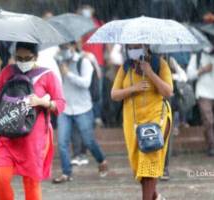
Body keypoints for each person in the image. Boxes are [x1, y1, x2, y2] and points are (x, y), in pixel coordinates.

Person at [0, 42, 65, 200]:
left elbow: (60, 104)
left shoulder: (47, 75)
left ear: (36, 57)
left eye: (27, 58)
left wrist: (42, 102)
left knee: (31, 184)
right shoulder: (7, 72)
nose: (23, 62)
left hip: (33, 139)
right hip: (7, 134)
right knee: (0, 177)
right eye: (19, 58)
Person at [111, 44, 173, 200]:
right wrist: (134, 88)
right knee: (141, 168)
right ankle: (156, 197)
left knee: (148, 164)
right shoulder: (126, 67)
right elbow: (114, 94)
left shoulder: (160, 64)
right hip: (133, 124)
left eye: (136, 46)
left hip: (156, 120)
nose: (133, 49)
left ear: (145, 46)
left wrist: (150, 72)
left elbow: (168, 92)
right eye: (130, 47)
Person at [52, 42, 108, 184]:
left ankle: (101, 159)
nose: (64, 50)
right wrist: (57, 67)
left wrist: (68, 74)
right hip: (65, 108)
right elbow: (55, 83)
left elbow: (85, 83)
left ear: (73, 46)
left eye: (66, 47)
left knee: (88, 140)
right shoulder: (58, 62)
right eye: (61, 47)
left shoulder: (84, 61)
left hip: (82, 107)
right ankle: (66, 173)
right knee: (62, 142)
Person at [187, 50, 214, 156]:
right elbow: (189, 75)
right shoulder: (197, 55)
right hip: (203, 92)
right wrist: (202, 70)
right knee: (208, 120)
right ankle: (212, 146)